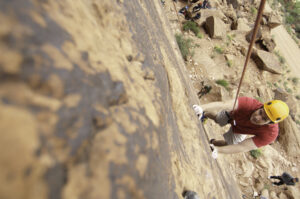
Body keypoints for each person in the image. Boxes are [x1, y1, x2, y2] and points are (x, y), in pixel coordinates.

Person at [193, 97, 289, 159]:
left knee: (229, 144)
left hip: (242, 130)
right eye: (260, 112)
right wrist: (202, 107)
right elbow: (224, 104)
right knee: (218, 118)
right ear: (262, 106)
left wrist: (217, 150)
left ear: (270, 123)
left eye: (264, 119)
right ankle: (205, 114)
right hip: (233, 116)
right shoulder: (250, 104)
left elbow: (243, 147)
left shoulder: (270, 134)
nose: (257, 117)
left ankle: (213, 143)